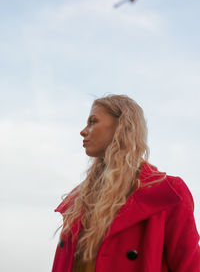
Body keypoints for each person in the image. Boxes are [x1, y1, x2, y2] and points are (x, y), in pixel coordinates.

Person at [52, 94, 200, 272]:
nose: (83, 131)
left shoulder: (168, 193)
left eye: (93, 121)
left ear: (121, 127)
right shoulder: (79, 199)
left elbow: (189, 266)